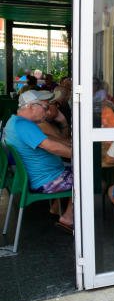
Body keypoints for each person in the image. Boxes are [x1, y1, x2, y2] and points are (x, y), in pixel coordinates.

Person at [3, 90, 74, 232]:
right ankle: (68, 218)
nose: (47, 112)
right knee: (94, 180)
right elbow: (51, 147)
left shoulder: (15, 121)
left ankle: (55, 208)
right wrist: (82, 155)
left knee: (73, 168)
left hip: (40, 175)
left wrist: (69, 145)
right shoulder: (24, 125)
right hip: (46, 180)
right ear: (30, 106)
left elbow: (46, 138)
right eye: (45, 107)